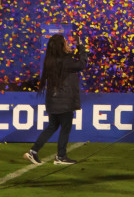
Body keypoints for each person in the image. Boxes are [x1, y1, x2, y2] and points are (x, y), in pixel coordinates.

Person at [24, 34, 87, 166]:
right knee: (65, 127)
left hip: (52, 101)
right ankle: (61, 156)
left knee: (52, 126)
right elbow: (82, 64)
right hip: (64, 101)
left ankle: (33, 151)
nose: (67, 44)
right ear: (61, 46)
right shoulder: (66, 61)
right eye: (65, 42)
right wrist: (80, 47)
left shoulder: (50, 61)